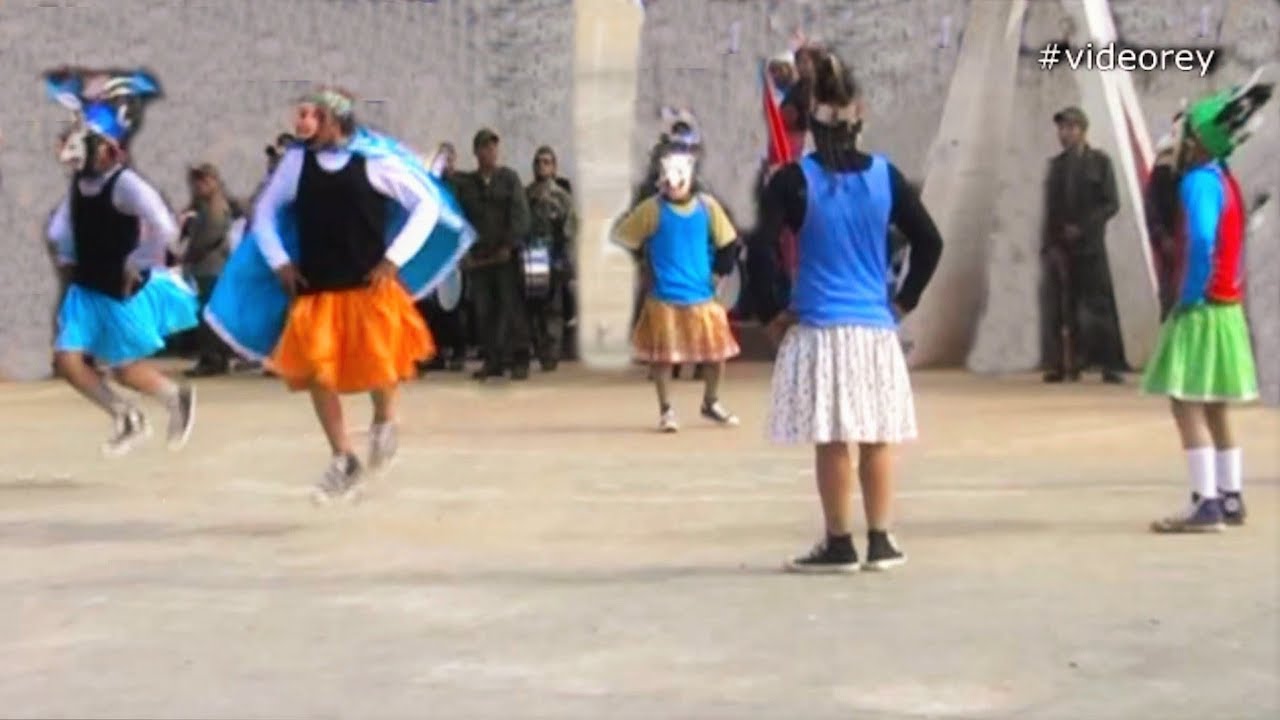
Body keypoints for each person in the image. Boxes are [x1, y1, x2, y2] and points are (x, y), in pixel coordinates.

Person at [204, 88, 475, 503]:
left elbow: (426, 205)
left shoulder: (374, 160)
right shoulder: (296, 163)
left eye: (312, 115)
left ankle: (384, 420)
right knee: (318, 374)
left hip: (368, 287)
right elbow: (266, 212)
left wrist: (395, 258)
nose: (302, 123)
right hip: (317, 289)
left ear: (334, 120)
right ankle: (343, 458)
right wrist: (279, 261)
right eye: (301, 115)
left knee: (381, 365)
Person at [752, 48, 943, 573]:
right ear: (859, 120)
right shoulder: (887, 177)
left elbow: (761, 249)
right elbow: (930, 242)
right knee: (877, 436)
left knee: (834, 439)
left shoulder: (792, 181)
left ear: (812, 124)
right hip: (875, 329)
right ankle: (881, 540)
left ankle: (838, 543)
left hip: (820, 327)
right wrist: (903, 300)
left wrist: (771, 313)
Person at [42, 67, 199, 456]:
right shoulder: (81, 184)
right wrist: (65, 253)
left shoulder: (126, 184)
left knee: (124, 368)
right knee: (68, 362)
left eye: (87, 141)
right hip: (86, 287)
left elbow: (164, 228)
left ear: (108, 149)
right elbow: (64, 227)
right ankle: (127, 415)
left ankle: (173, 397)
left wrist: (139, 262)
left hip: (117, 290)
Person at [1143, 76, 1273, 533]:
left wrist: (1189, 293)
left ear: (1196, 141)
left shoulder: (1197, 181)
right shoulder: (1224, 178)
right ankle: (1230, 496)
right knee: (1216, 405)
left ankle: (1205, 502)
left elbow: (1201, 239)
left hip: (1202, 308)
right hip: (1227, 306)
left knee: (1186, 402)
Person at [612, 133, 742, 432]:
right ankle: (666, 409)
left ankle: (711, 402)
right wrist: (642, 265)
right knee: (663, 358)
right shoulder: (651, 209)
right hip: (664, 297)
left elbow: (728, 243)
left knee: (717, 353)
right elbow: (623, 238)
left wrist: (718, 274)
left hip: (702, 295)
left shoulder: (707, 207)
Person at [1040, 106, 1127, 384]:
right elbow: (1050, 209)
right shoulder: (1056, 166)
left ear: (1082, 130)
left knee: (1100, 306)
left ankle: (1109, 364)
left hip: (1091, 246)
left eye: (1070, 128)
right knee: (1063, 308)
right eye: (1061, 128)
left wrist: (1084, 227)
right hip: (1062, 247)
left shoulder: (1100, 162)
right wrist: (1050, 243)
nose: (1064, 134)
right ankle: (1066, 364)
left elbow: (1111, 203)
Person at [452, 129, 534, 381]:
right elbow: (458, 218)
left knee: (511, 307)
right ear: (476, 152)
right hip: (479, 258)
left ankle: (519, 359)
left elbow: (521, 215)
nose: (490, 152)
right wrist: (463, 252)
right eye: (485, 147)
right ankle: (493, 360)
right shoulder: (466, 184)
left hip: (505, 257)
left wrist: (509, 245)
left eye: (493, 147)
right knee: (484, 311)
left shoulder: (508, 179)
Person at [178, 162, 245, 377]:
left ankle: (212, 358)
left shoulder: (214, 208)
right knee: (212, 314)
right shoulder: (206, 206)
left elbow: (205, 240)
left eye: (204, 180)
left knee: (208, 315)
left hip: (211, 267)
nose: (199, 185)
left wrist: (187, 258)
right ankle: (217, 357)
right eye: (196, 180)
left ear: (215, 181)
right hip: (210, 267)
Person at [525, 145, 579, 371]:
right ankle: (539, 349)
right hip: (531, 255)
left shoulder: (562, 197)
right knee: (533, 307)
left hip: (553, 255)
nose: (542, 166)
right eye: (538, 162)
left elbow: (571, 228)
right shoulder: (526, 194)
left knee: (553, 307)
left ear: (554, 167)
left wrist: (564, 257)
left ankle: (552, 353)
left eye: (547, 162)